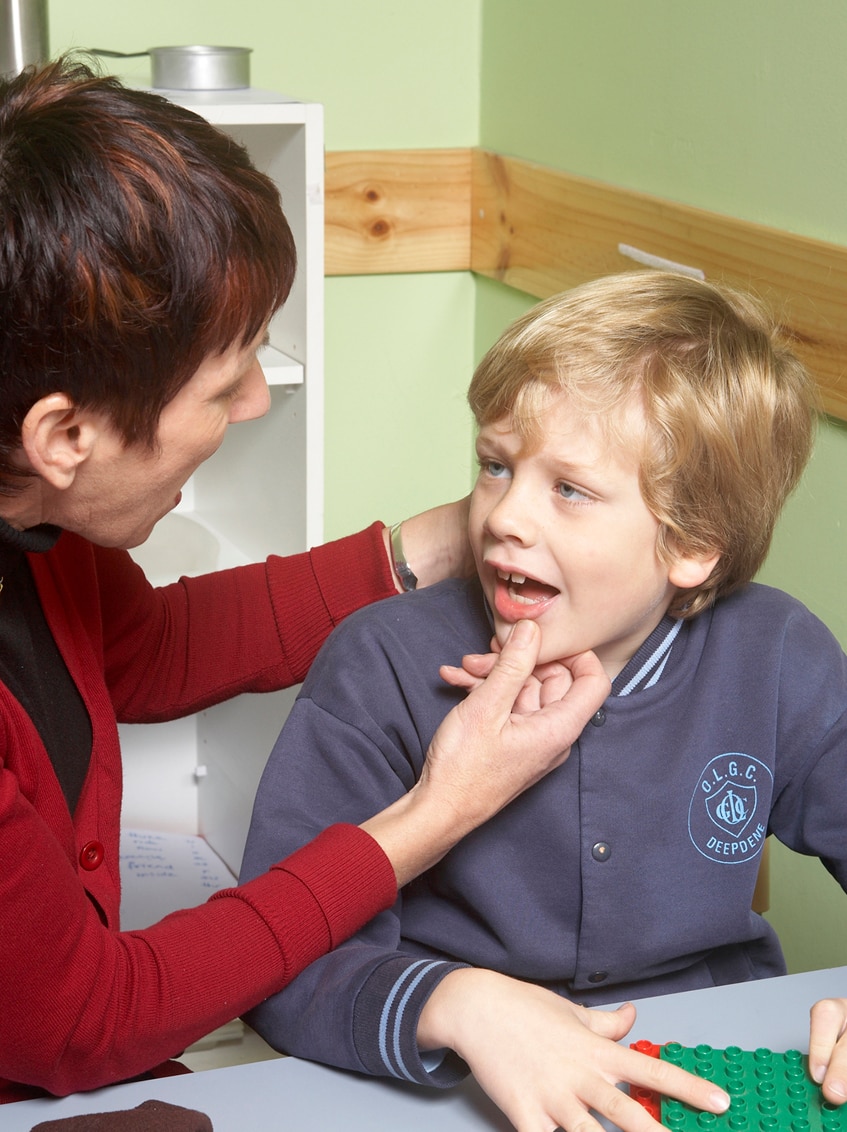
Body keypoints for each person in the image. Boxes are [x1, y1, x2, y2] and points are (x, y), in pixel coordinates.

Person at [0, 58, 614, 1105]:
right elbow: (84, 1019)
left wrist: (452, 534)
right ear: (65, 434)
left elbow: (144, 651)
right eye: (222, 374)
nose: (251, 401)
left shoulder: (34, 520)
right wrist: (437, 809)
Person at [241, 271, 847, 1132]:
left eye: (568, 488)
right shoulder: (379, 660)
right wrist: (453, 1002)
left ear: (691, 546)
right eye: (495, 466)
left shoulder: (780, 655)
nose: (502, 517)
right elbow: (277, 956)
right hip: (446, 1074)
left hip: (714, 1071)